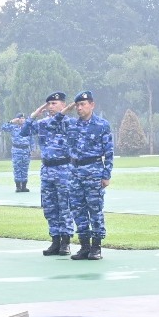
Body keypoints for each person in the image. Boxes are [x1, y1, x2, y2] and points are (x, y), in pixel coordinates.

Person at [21, 92, 74, 255]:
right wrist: (33, 116)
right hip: (47, 170)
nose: (51, 106)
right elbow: (24, 132)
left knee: (64, 206)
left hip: (64, 169)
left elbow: (57, 123)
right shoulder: (43, 123)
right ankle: (55, 240)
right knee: (49, 207)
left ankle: (65, 241)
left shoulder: (70, 123)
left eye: (54, 103)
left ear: (63, 105)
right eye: (49, 104)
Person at [66, 91, 114, 260]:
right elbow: (54, 122)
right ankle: (84, 246)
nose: (79, 108)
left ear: (92, 105)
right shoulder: (72, 125)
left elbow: (109, 153)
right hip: (75, 172)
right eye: (77, 105)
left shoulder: (102, 125)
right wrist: (67, 109)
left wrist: (106, 175)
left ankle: (96, 246)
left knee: (95, 210)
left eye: (83, 104)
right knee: (78, 210)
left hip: (93, 171)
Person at [0, 113, 31, 193]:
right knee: (17, 168)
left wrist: (32, 148)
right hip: (17, 150)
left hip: (26, 150)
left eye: (23, 118)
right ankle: (18, 186)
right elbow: (3, 127)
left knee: (25, 168)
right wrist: (11, 121)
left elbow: (31, 139)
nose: (22, 120)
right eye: (20, 118)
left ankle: (24, 186)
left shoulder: (27, 128)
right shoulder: (13, 127)